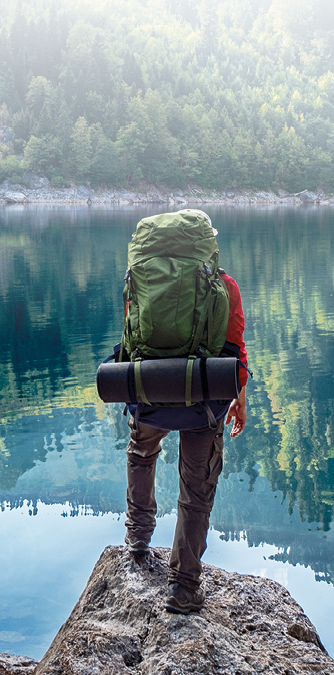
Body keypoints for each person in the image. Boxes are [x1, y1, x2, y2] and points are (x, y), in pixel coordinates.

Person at [124, 212, 248, 615]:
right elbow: (235, 348)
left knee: (141, 453)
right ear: (206, 245)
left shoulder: (140, 280)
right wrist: (239, 397)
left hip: (147, 392)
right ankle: (183, 585)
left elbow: (131, 335)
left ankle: (138, 539)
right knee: (196, 488)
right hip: (202, 399)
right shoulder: (224, 286)